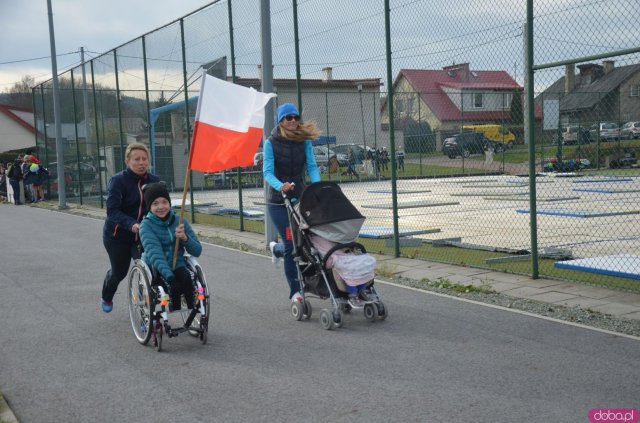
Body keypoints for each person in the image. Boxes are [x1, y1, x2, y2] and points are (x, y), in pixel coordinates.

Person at [263, 103, 322, 303]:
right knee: (291, 243)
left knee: (307, 241)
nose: (293, 121)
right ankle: (295, 292)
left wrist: (318, 186)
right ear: (280, 121)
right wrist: (281, 186)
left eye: (296, 117)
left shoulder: (304, 141)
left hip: (300, 199)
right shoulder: (270, 142)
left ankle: (276, 249)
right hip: (279, 203)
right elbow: (267, 172)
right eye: (289, 118)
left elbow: (312, 166)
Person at [100, 142, 160, 313]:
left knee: (148, 270)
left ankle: (145, 307)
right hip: (117, 237)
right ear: (128, 161)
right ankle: (107, 295)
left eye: (145, 159)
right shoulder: (118, 181)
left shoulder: (155, 181)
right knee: (119, 273)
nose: (142, 163)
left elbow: (162, 207)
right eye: (137, 159)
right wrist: (131, 224)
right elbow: (112, 211)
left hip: (143, 236)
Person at [139, 182, 202, 311]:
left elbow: (197, 250)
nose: (161, 207)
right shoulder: (146, 226)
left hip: (177, 263)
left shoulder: (180, 221)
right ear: (149, 206)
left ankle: (192, 310)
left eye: (164, 202)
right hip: (155, 267)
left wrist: (185, 238)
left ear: (169, 203)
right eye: (155, 203)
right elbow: (155, 254)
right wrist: (170, 277)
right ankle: (174, 308)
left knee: (187, 280)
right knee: (173, 287)